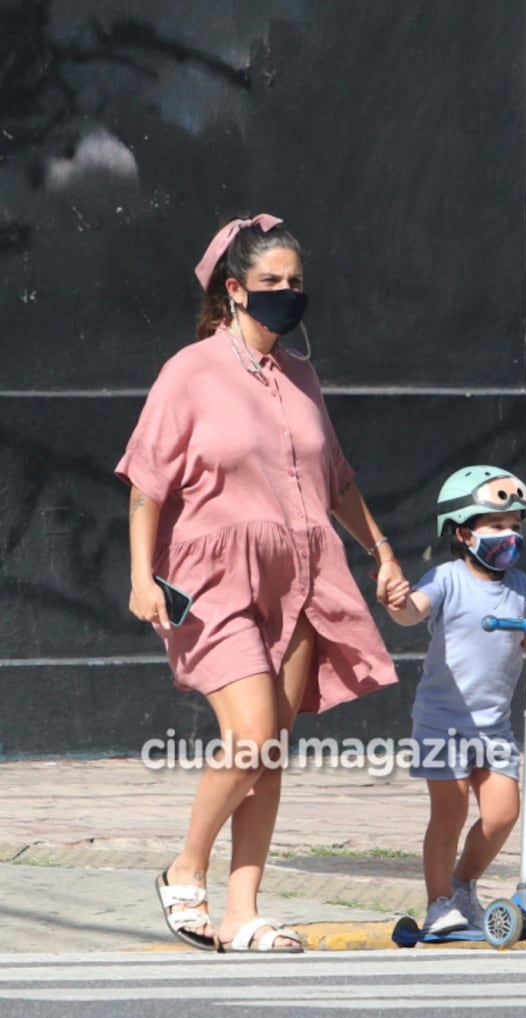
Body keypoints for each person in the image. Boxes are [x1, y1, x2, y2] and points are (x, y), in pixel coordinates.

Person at [115, 213, 405, 953]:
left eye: (295, 283)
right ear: (235, 291)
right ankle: (186, 868)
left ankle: (243, 911)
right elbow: (147, 482)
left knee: (272, 747)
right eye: (271, 282)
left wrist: (380, 552)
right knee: (247, 737)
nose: (286, 293)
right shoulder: (190, 370)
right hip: (212, 577)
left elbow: (334, 479)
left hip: (300, 576)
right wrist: (141, 576)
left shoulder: (301, 376)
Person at [382, 465, 526, 934]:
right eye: (496, 526)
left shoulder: (521, 588)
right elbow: (413, 612)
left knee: (503, 813)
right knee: (448, 813)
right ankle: (438, 905)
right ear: (463, 532)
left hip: (493, 726)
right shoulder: (447, 578)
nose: (508, 536)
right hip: (441, 722)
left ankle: (463, 885)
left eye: (514, 527)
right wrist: (396, 603)